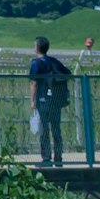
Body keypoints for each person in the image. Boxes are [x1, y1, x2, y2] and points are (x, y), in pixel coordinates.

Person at [28, 36, 73, 166]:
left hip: (43, 100)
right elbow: (67, 73)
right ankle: (58, 157)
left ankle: (46, 158)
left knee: (44, 131)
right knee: (56, 129)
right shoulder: (54, 61)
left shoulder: (36, 63)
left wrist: (32, 100)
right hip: (56, 100)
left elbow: (34, 83)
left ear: (36, 48)